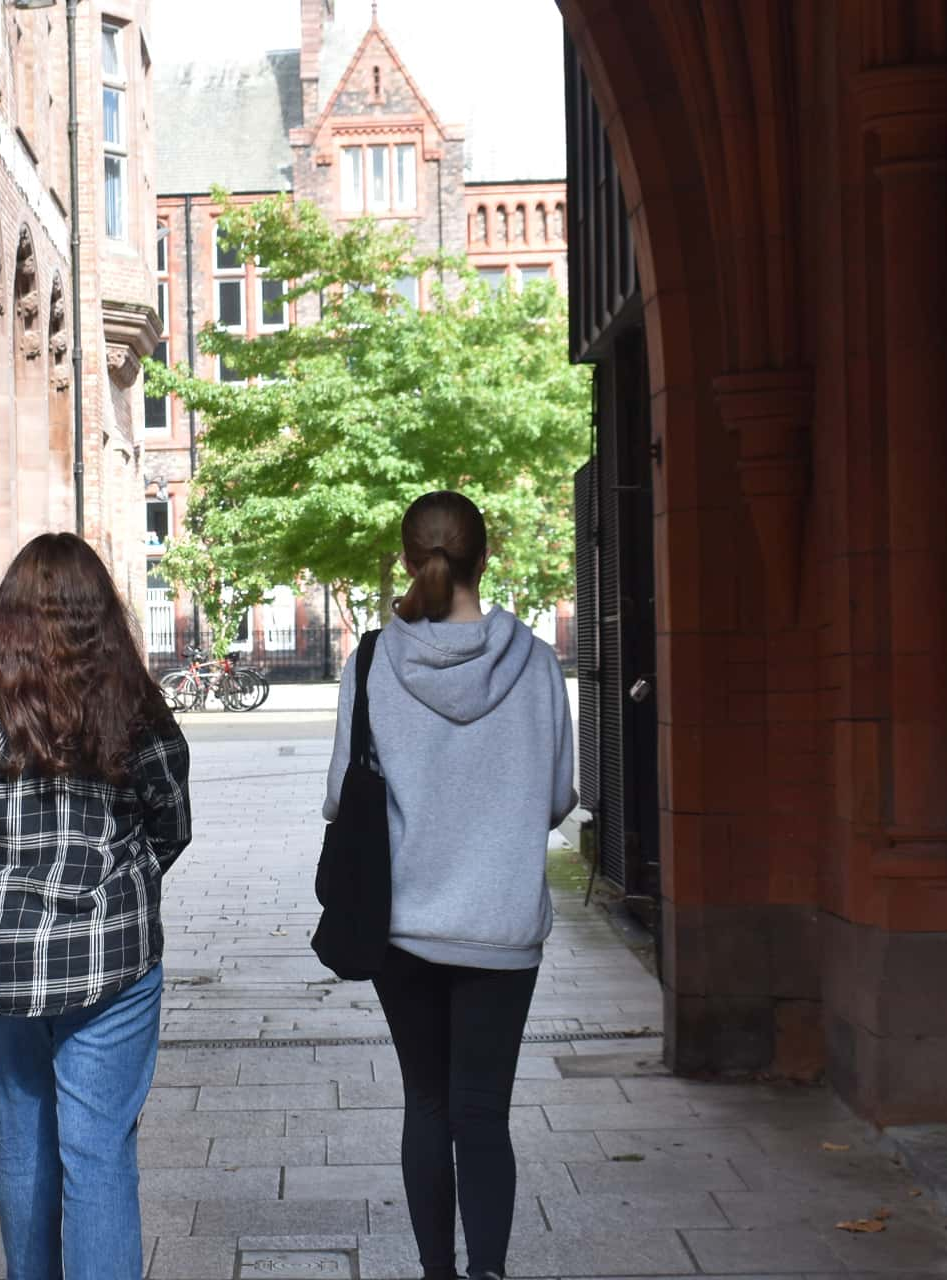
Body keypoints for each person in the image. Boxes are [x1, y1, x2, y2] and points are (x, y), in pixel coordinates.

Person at [0, 532, 192, 1280]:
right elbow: (171, 817)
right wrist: (120, 887)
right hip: (111, 953)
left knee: (21, 1134)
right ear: (100, 613)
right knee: (98, 1146)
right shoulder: (132, 706)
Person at [323, 491, 576, 1280]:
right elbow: (560, 798)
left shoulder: (369, 664)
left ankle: (436, 1271)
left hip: (406, 927)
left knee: (427, 1104)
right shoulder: (536, 663)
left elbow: (340, 797)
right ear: (485, 557)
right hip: (503, 928)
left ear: (409, 560)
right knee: (484, 1112)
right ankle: (489, 1272)